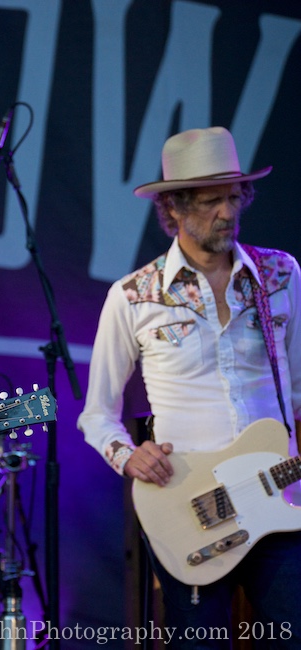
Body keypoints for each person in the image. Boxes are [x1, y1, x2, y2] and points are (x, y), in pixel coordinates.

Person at [78, 127, 301, 645]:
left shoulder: (281, 275)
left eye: (234, 196)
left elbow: (298, 390)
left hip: (279, 496)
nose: (228, 212)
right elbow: (97, 413)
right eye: (210, 201)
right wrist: (126, 456)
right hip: (189, 503)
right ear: (174, 208)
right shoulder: (134, 296)